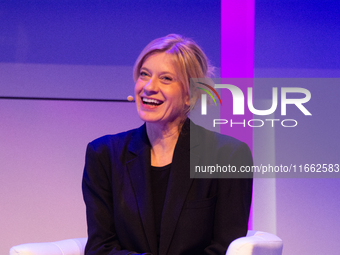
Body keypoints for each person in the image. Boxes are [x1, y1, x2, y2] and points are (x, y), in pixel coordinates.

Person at [82, 34, 253, 255]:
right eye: (144, 75)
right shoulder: (104, 154)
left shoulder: (228, 156)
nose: (149, 87)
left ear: (189, 96)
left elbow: (224, 248)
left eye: (166, 79)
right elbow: (99, 248)